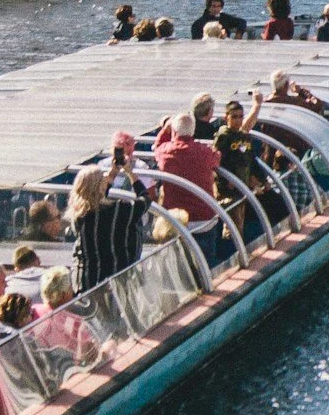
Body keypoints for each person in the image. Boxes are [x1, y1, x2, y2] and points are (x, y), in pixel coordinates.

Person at [70, 155, 150, 290]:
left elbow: (96, 199)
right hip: (119, 281)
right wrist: (129, 172)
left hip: (88, 282)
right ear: (99, 186)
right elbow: (145, 199)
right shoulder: (120, 210)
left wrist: (113, 173)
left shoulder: (79, 214)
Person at [149, 112, 220, 226]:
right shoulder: (205, 152)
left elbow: (157, 146)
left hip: (174, 220)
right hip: (203, 218)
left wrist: (165, 129)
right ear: (192, 131)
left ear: (174, 131)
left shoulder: (164, 150)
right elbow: (217, 157)